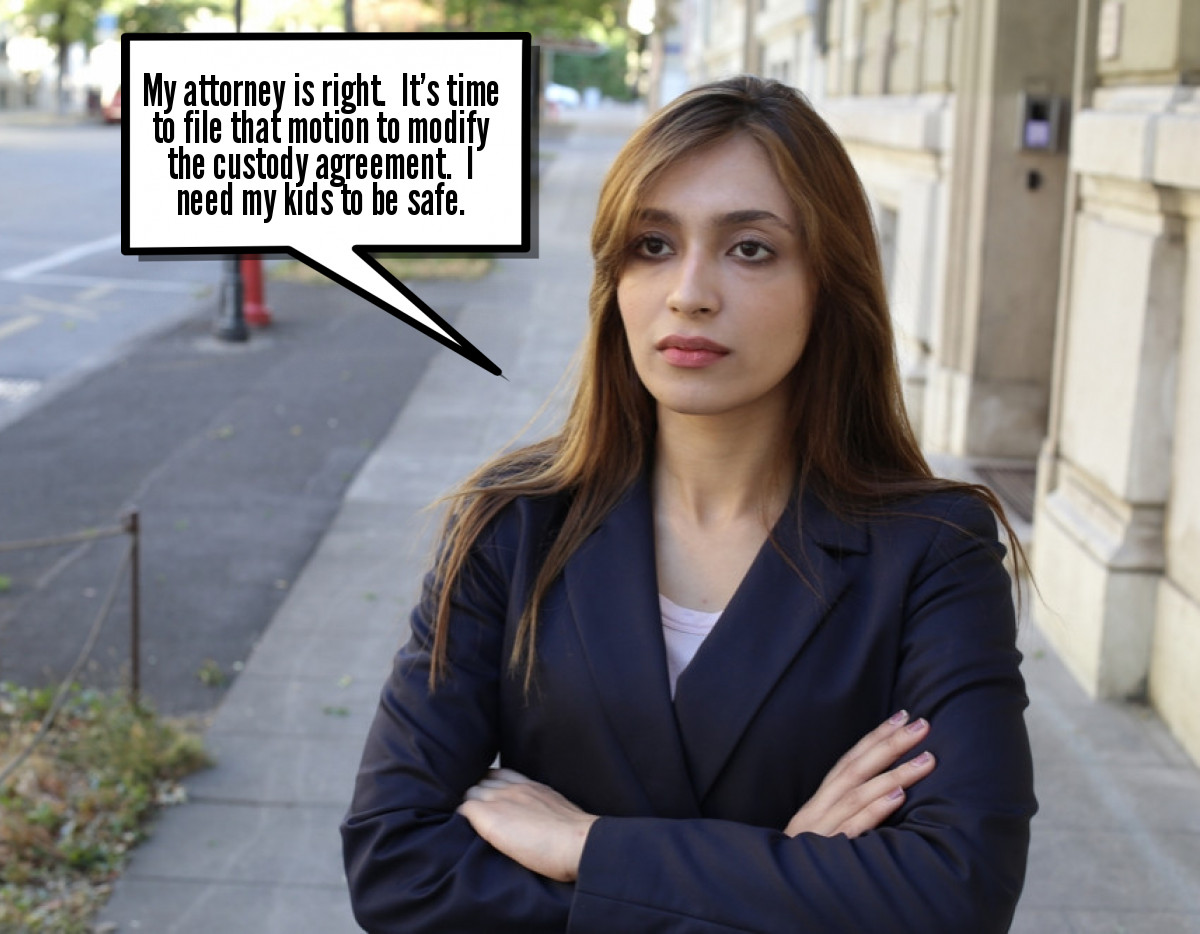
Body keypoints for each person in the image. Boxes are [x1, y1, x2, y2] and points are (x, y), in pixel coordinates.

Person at [340, 76, 1035, 933]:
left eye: (750, 249)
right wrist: (792, 870)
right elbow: (396, 869)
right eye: (653, 245)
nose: (690, 292)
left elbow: (955, 896)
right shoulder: (513, 525)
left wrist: (589, 849)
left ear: (831, 283)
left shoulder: (933, 551)